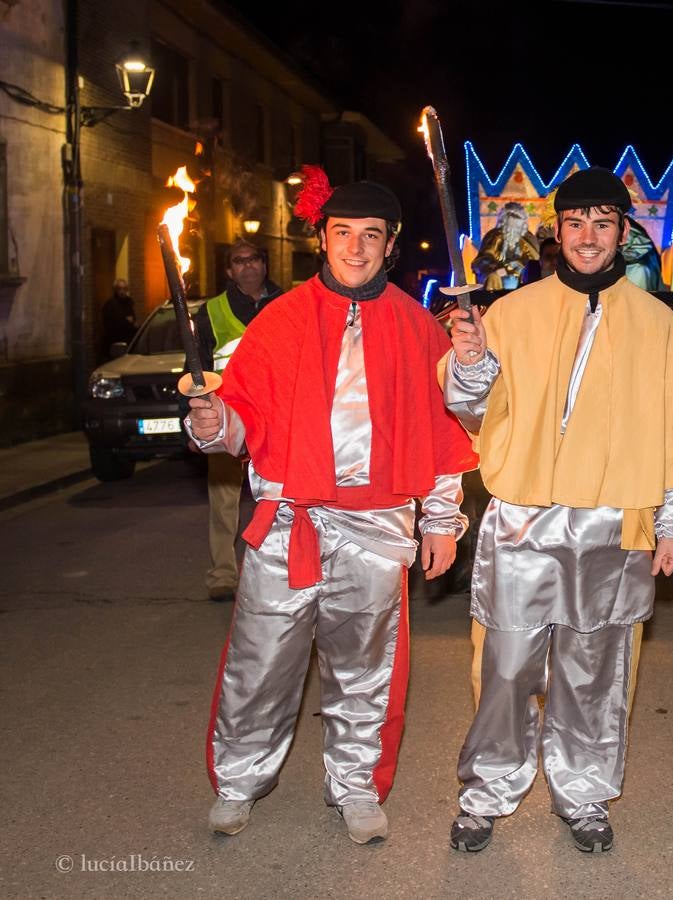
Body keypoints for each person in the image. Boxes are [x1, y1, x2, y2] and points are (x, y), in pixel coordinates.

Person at [184, 169, 477, 845]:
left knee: (366, 670)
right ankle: (238, 782)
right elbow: (239, 422)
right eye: (342, 233)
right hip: (287, 522)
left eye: (370, 236)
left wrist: (440, 523)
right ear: (321, 238)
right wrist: (209, 418)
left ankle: (354, 787)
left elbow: (443, 436)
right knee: (260, 662)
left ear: (390, 246)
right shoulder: (278, 321)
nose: (355, 247)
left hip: (377, 526)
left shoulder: (416, 327)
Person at [443, 167, 673, 854]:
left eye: (602, 223)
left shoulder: (659, 324)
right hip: (522, 520)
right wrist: (471, 364)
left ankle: (584, 793)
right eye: (575, 223)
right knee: (505, 667)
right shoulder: (508, 314)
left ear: (624, 234)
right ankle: (487, 790)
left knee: (596, 673)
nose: (588, 236)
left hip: (613, 522)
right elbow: (473, 413)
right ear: (556, 233)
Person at [191, 239, 282, 603]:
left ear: (264, 264)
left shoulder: (287, 304)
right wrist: (196, 416)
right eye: (239, 261)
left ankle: (276, 570)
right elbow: (195, 365)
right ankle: (223, 575)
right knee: (224, 498)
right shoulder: (211, 311)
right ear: (229, 270)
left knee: (279, 496)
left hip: (277, 414)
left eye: (254, 258)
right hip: (226, 415)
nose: (247, 266)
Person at [471, 200, 540, 289]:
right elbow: (484, 258)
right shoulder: (494, 236)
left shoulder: (527, 239)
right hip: (500, 271)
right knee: (493, 276)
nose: (512, 232)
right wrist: (501, 267)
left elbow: (534, 261)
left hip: (520, 273)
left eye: (517, 228)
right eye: (510, 227)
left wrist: (520, 265)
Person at [100, 278, 137, 356]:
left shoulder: (129, 302)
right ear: (116, 290)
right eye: (119, 289)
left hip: (128, 342)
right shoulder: (110, 304)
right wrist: (126, 321)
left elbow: (133, 319)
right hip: (114, 342)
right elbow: (109, 324)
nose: (122, 291)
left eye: (124, 289)